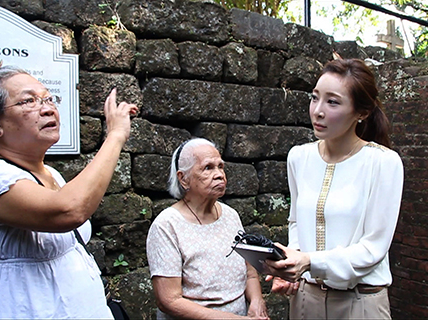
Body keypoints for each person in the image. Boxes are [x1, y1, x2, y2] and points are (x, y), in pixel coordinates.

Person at [0, 66, 138, 319]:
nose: (47, 108)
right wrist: (116, 135)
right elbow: (69, 210)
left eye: (48, 98)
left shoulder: (52, 175)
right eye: (28, 101)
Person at [263, 58, 404, 319]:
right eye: (315, 98)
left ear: (361, 113)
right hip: (305, 300)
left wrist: (309, 262)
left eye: (333, 102)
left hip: (360, 302)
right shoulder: (298, 157)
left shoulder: (383, 162)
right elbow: (296, 222)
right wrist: (292, 265)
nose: (318, 110)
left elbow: (373, 248)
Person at [146, 138, 269, 319]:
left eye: (221, 166)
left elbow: (249, 272)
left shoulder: (231, 216)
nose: (220, 174)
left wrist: (257, 301)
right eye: (208, 168)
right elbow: (169, 301)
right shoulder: (167, 225)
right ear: (183, 179)